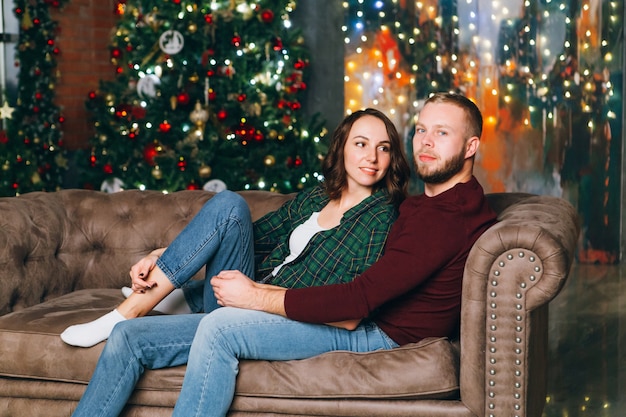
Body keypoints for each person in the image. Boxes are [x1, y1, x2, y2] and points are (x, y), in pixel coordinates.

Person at [69, 93, 498, 417]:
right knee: (130, 337)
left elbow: (355, 306)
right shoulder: (425, 203)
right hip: (337, 306)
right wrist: (173, 254)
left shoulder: (439, 216)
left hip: (373, 331)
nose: (426, 142)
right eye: (422, 129)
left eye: (442, 133)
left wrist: (254, 296)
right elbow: (253, 236)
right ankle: (137, 310)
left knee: (220, 328)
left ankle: (170, 300)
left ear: (471, 146)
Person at [60, 108, 410, 348]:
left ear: (392, 157)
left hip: (270, 314)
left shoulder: (381, 217)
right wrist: (161, 254)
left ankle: (126, 315)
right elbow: (248, 236)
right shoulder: (317, 197)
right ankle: (177, 295)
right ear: (343, 148)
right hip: (239, 294)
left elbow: (350, 298)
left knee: (228, 205)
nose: (372, 157)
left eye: (383, 148)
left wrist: (257, 295)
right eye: (361, 144)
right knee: (230, 207)